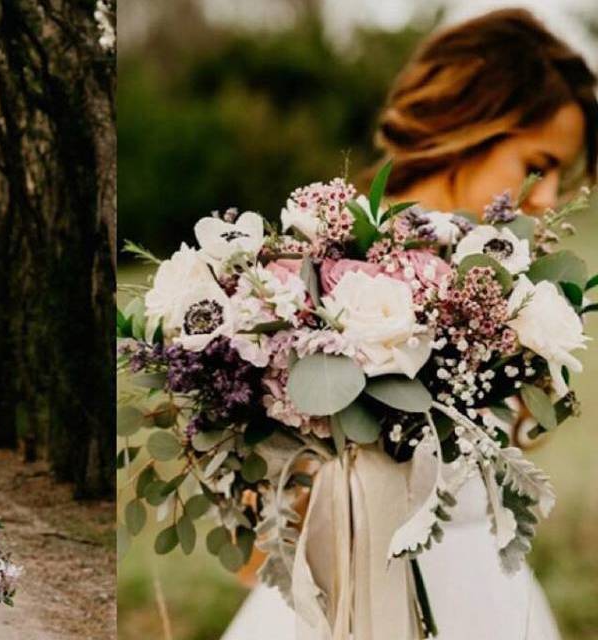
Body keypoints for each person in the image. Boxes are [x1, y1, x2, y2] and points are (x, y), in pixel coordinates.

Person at [224, 8, 597, 639]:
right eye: (537, 162)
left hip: (488, 597)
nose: (547, 196)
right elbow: (251, 541)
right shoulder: (311, 279)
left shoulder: (507, 289)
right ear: (467, 124)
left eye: (564, 175)